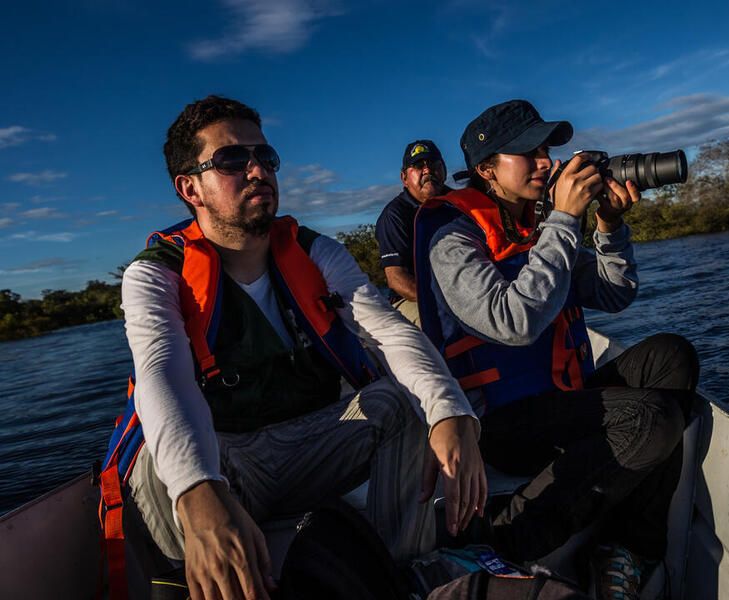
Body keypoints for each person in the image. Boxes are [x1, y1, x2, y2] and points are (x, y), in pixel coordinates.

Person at [111, 96, 485, 600]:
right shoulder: (155, 274)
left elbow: (387, 331)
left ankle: (405, 576)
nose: (256, 170)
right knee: (161, 465)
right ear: (189, 188)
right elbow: (163, 376)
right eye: (230, 160)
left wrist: (450, 413)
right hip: (226, 463)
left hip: (303, 449)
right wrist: (199, 491)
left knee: (402, 405)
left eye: (265, 158)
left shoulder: (315, 252)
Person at [413, 99, 699, 599]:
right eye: (528, 153)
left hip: (556, 399)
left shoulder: (535, 226)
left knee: (671, 356)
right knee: (652, 419)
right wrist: (566, 219)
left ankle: (624, 548)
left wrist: (608, 226)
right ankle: (510, 538)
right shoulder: (450, 233)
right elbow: (512, 322)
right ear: (486, 170)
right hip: (496, 422)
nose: (545, 161)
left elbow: (614, 293)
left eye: (545, 149)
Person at [375, 139, 450, 326]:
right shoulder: (395, 215)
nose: (427, 170)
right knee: (441, 322)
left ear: (444, 170)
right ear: (404, 178)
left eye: (433, 163)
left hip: (464, 288)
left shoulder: (457, 202)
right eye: (418, 166)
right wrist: (446, 299)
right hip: (412, 299)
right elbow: (396, 280)